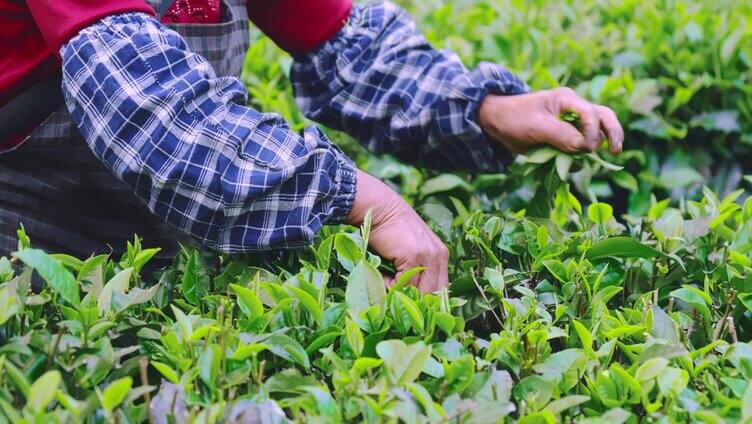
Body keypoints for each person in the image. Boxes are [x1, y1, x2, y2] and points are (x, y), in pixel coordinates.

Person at [0, 0, 623, 293]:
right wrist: (361, 199)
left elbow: (348, 48)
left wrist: (482, 109)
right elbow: (152, 111)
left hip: (165, 234)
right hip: (27, 225)